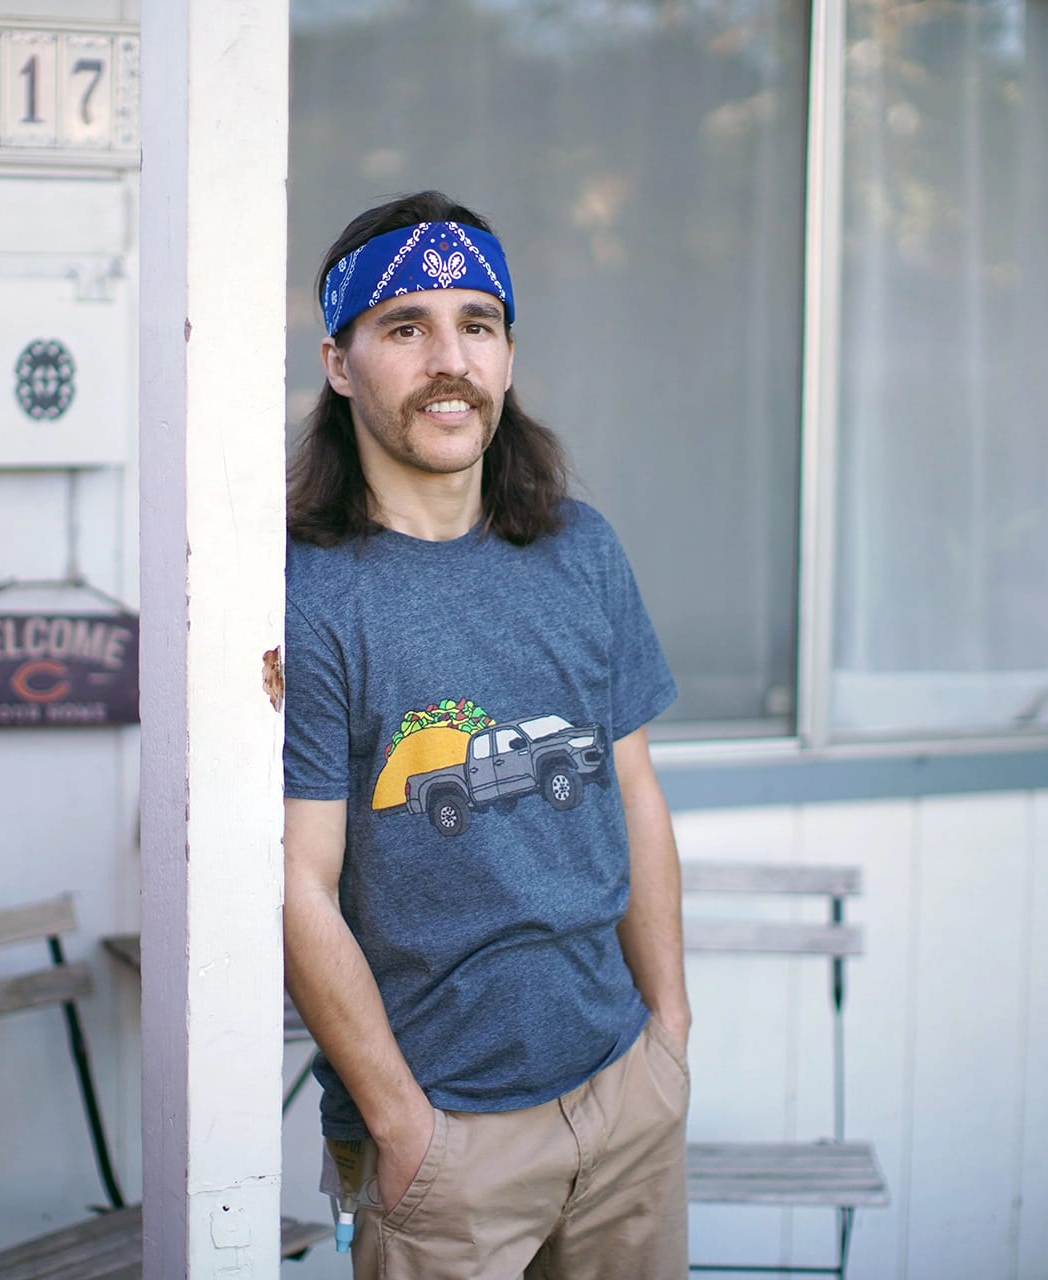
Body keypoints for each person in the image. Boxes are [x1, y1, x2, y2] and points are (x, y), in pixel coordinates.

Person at [281, 190, 691, 1280]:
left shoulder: (580, 549)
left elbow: (633, 794)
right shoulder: (305, 596)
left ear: (508, 355)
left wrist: (670, 1034)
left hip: (621, 1088)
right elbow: (297, 884)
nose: (447, 358)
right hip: (447, 1140)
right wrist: (403, 1124)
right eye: (404, 325)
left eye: (477, 322)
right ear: (339, 361)